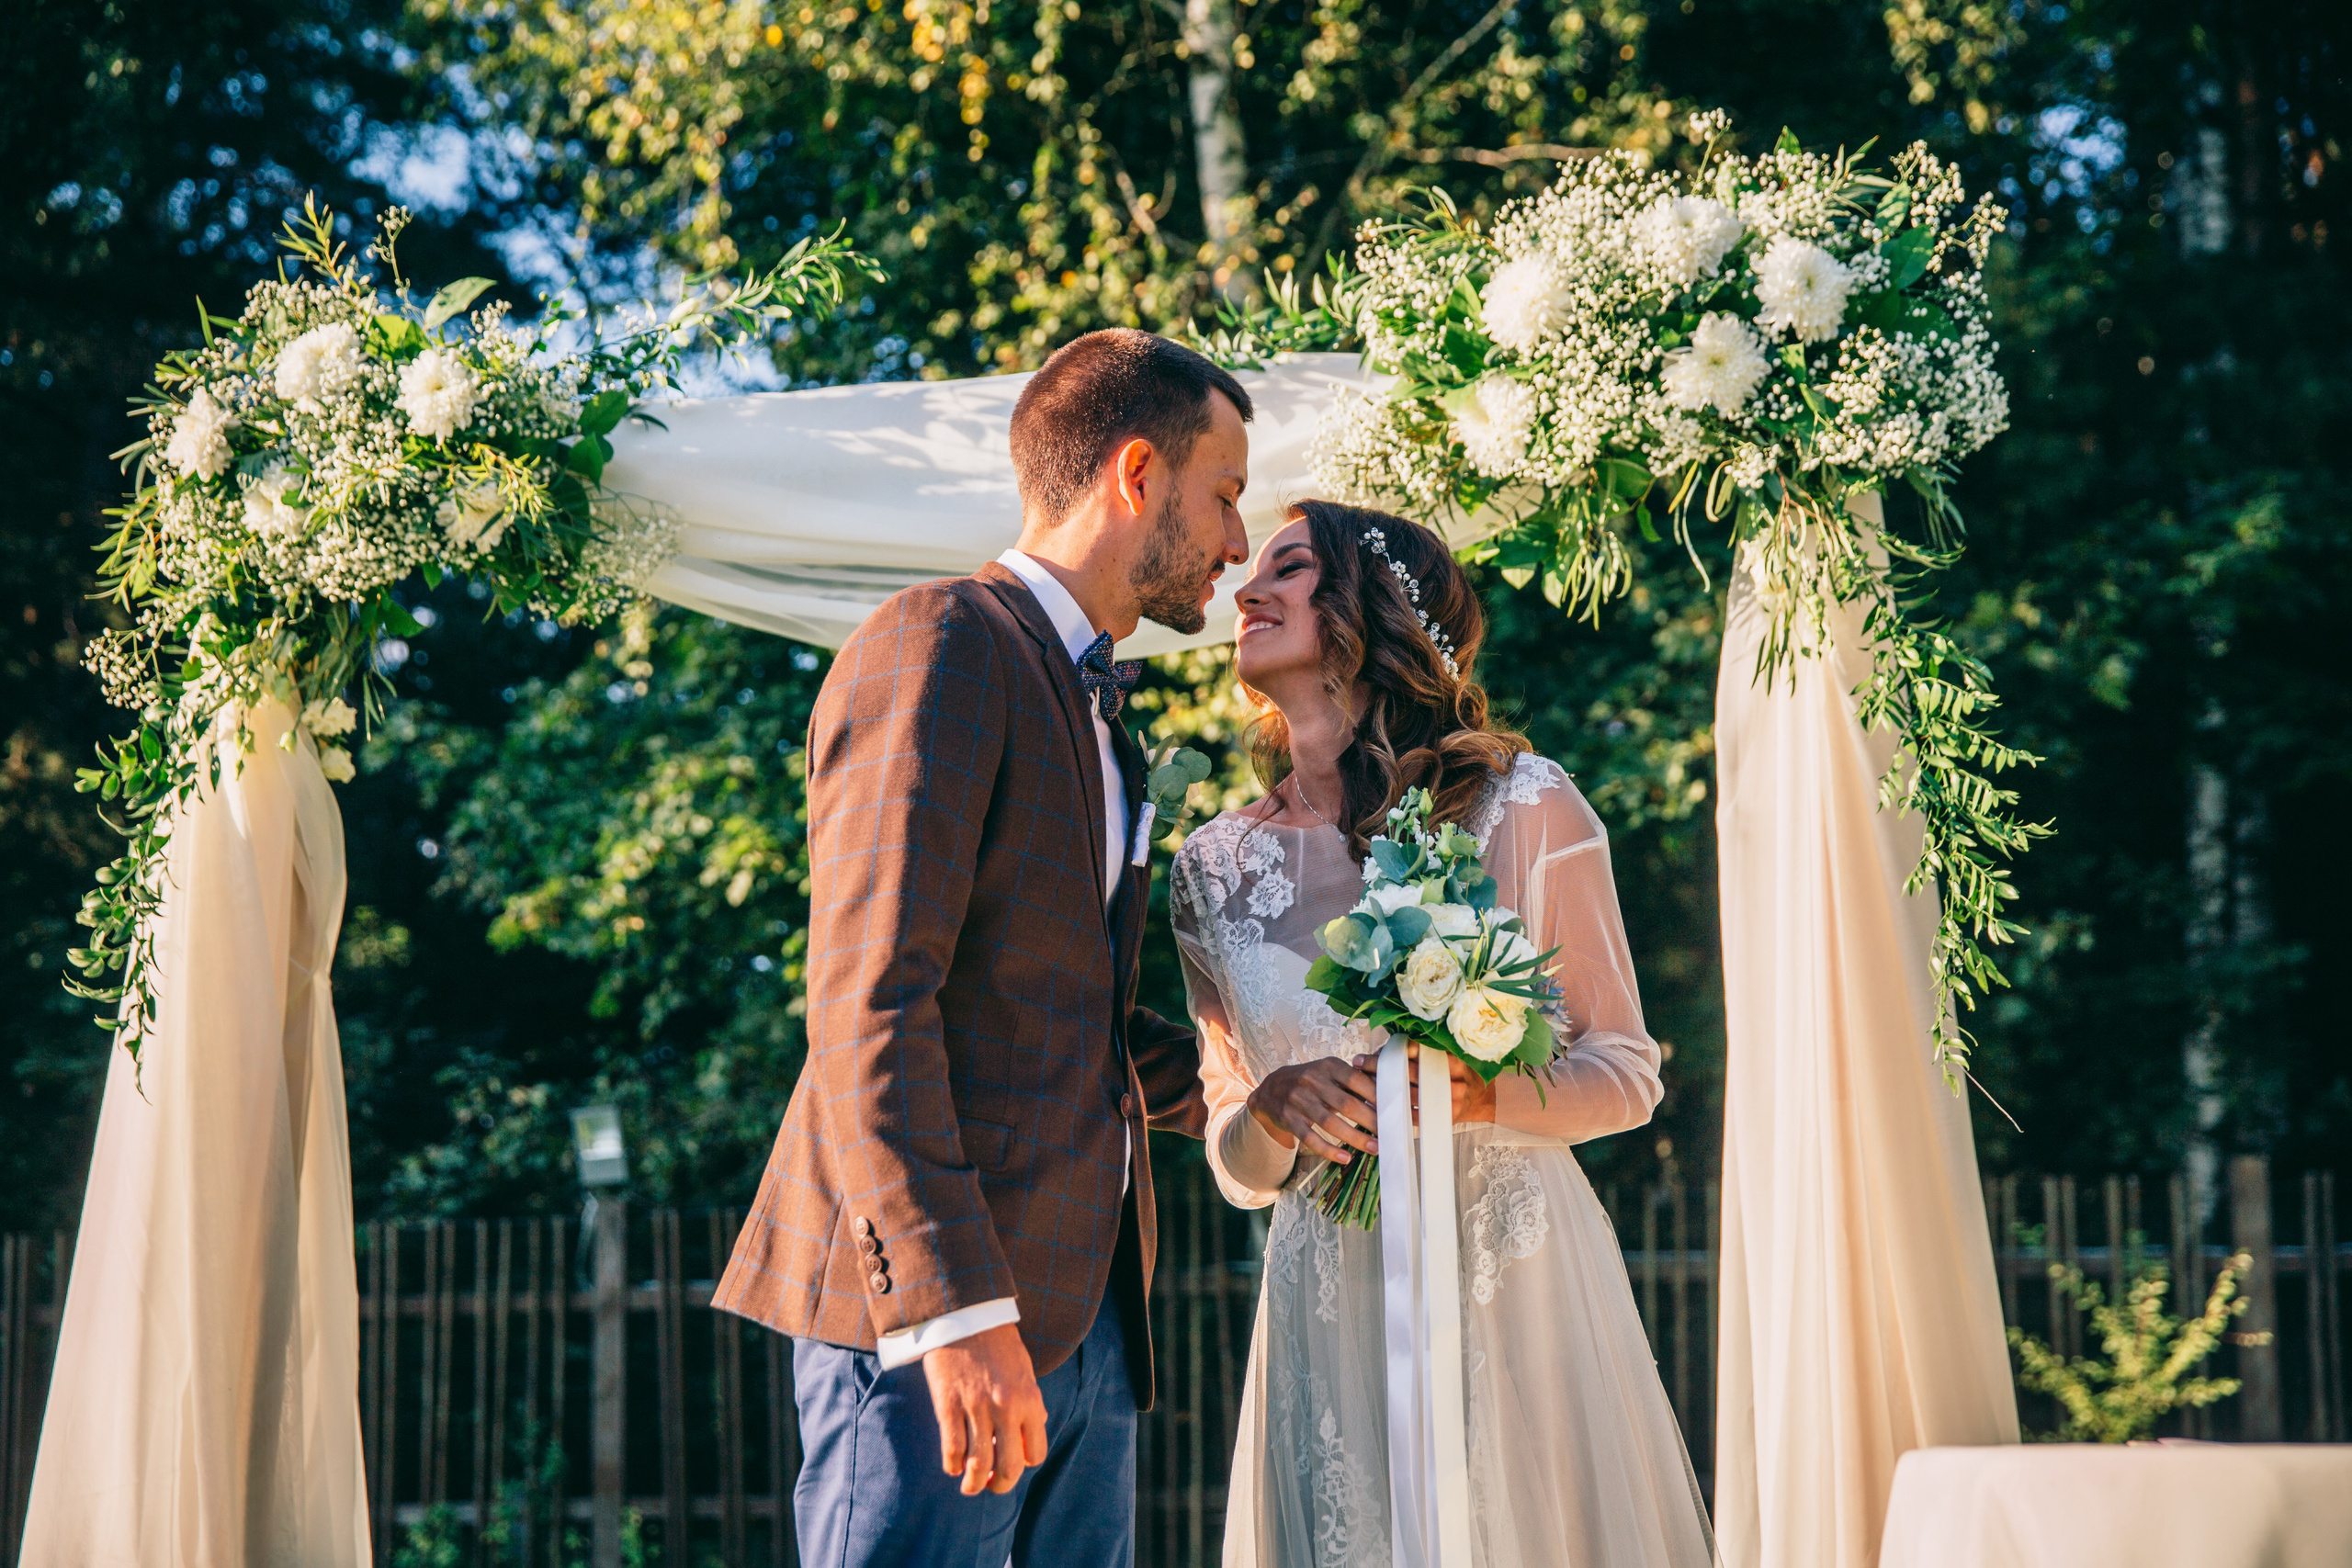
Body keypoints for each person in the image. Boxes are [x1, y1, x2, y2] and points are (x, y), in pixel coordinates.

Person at [713, 328, 1253, 1568]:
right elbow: (869, 1002)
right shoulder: (942, 640)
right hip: (939, 1308)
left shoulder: (1096, 697)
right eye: (1223, 493)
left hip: (1092, 1312)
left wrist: (1255, 1082)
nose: (1235, 540)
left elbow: (1068, 1015)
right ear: (1135, 473)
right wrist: (951, 1309)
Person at [1171, 499, 1716, 1567]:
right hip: (1326, 1297)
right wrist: (1273, 1114)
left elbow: (1624, 1070)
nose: (1247, 590)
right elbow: (1233, 1158)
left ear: (1368, 609)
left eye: (1289, 571)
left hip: (1507, 1285)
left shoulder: (1522, 806)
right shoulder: (1210, 871)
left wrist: (1475, 1095)